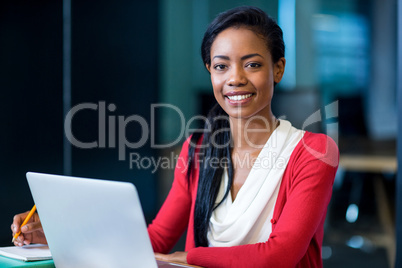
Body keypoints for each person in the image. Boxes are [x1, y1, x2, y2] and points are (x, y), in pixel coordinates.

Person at [11, 6, 339, 268]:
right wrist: (57, 234)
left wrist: (189, 257)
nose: (235, 79)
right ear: (210, 71)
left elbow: (278, 257)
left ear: (277, 69)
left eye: (252, 64)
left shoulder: (313, 152)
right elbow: (155, 240)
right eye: (221, 66)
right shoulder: (197, 149)